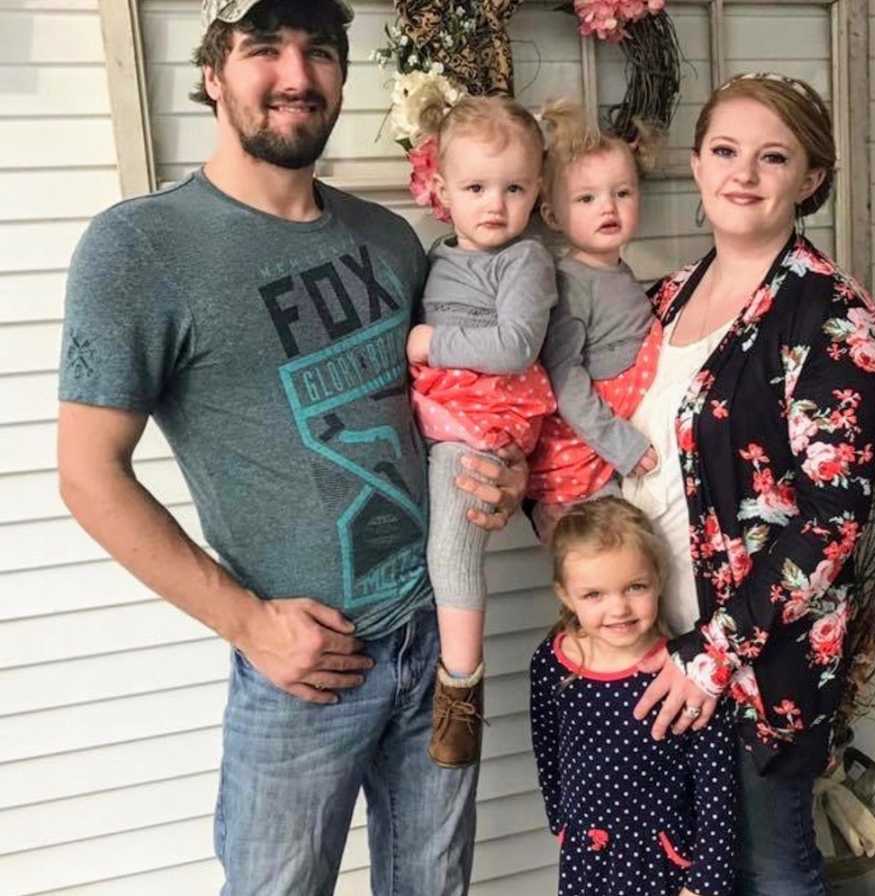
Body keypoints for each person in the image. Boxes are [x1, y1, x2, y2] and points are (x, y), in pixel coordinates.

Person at [56, 2, 529, 894]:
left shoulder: (388, 238)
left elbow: (450, 400)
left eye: (319, 51)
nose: (295, 75)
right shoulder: (140, 248)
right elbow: (86, 476)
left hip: (437, 642)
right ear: (211, 73)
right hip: (302, 672)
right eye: (263, 48)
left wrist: (499, 475)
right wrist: (248, 625)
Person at [620, 73, 875, 894]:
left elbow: (831, 524)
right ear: (699, 164)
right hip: (645, 633)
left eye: (772, 157)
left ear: (809, 180)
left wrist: (712, 655)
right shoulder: (658, 301)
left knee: (771, 868)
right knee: (681, 872)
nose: (743, 173)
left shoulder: (834, 318)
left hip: (751, 662)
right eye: (726, 151)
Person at [405, 95, 557, 768]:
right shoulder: (436, 256)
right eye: (475, 187)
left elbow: (515, 346)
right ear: (440, 189)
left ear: (537, 191)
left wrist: (430, 342)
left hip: (483, 417)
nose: (495, 205)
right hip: (442, 413)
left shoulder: (524, 262)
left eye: (514, 188)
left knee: (452, 551)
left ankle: (459, 692)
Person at [530, 497, 737, 896]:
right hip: (588, 857)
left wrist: (705, 883)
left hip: (666, 861)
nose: (619, 608)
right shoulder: (553, 664)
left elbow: (716, 788)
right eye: (594, 595)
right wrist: (562, 824)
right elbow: (548, 749)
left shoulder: (685, 673)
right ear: (565, 594)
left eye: (635, 587)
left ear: (657, 579)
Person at [526, 99, 661, 544]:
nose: (609, 207)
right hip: (585, 458)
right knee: (608, 557)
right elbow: (563, 377)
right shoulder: (569, 283)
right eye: (586, 198)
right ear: (552, 215)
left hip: (616, 449)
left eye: (622, 193)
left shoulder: (616, 272)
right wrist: (618, 442)